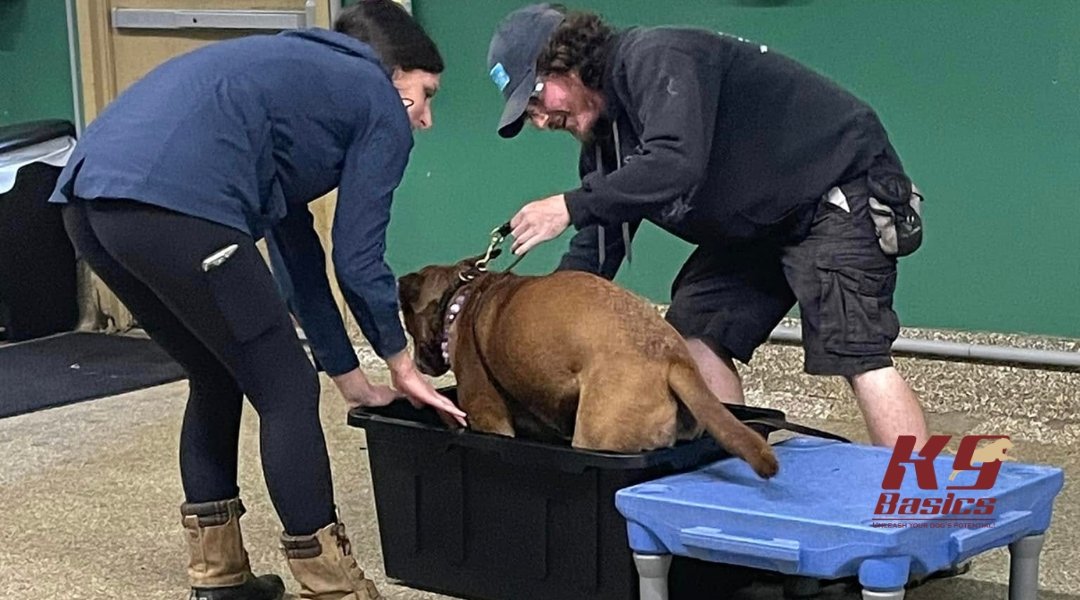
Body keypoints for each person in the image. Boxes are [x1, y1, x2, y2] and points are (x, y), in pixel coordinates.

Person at [49, 1, 465, 599]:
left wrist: (349, 375)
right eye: (426, 94)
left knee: (216, 374)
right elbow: (358, 259)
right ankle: (334, 587)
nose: (424, 117)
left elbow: (299, 251)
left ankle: (218, 578)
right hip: (178, 207)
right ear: (395, 74)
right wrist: (403, 364)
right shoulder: (377, 102)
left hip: (89, 210)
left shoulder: (293, 79)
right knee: (287, 387)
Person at [486, 4, 930, 450]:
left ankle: (916, 497)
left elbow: (675, 163)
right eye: (528, 115)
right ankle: (736, 477)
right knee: (695, 332)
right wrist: (545, 319)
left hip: (833, 188)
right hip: (758, 227)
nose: (541, 120)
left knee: (856, 352)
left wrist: (568, 205)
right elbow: (596, 249)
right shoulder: (606, 141)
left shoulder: (655, 58)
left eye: (536, 98)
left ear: (565, 62)